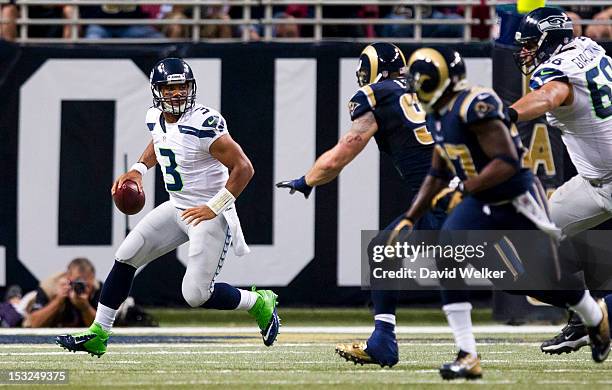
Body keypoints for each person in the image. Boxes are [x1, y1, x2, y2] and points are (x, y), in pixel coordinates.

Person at [403, 46, 611, 379]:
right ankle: (467, 354)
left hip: (516, 197)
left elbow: (509, 162)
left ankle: (593, 315)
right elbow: (437, 170)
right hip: (497, 195)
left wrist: (464, 188)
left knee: (546, 269)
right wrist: (410, 216)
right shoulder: (437, 113)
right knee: (452, 252)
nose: (417, 91)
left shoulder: (478, 106)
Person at [56, 58, 280, 357]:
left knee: (196, 294)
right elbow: (160, 142)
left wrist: (214, 206)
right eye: (170, 87)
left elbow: (244, 168)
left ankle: (258, 302)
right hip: (177, 207)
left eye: (182, 86)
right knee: (126, 256)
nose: (176, 93)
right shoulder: (155, 117)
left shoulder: (203, 123)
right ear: (157, 91)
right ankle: (99, 333)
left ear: (191, 88)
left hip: (207, 213)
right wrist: (137, 169)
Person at [276, 42, 469, 368]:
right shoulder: (422, 86)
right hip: (459, 190)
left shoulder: (376, 94)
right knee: (384, 249)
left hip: (443, 199)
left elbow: (346, 148)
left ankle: (584, 311)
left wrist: (307, 180)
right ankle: (382, 341)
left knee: (516, 274)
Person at [509, 7, 612, 355]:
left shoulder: (557, 70)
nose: (524, 51)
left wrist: (506, 115)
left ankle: (600, 317)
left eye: (528, 44)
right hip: (593, 182)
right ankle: (584, 316)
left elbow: (550, 95)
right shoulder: (589, 46)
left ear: (548, 39)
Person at [26, 258, 100, 328]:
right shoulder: (50, 287)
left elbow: (103, 328)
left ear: (93, 279)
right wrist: (58, 300)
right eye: (78, 282)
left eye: (87, 284)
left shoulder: (99, 289)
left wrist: (85, 307)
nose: (82, 287)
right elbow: (34, 324)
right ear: (68, 277)